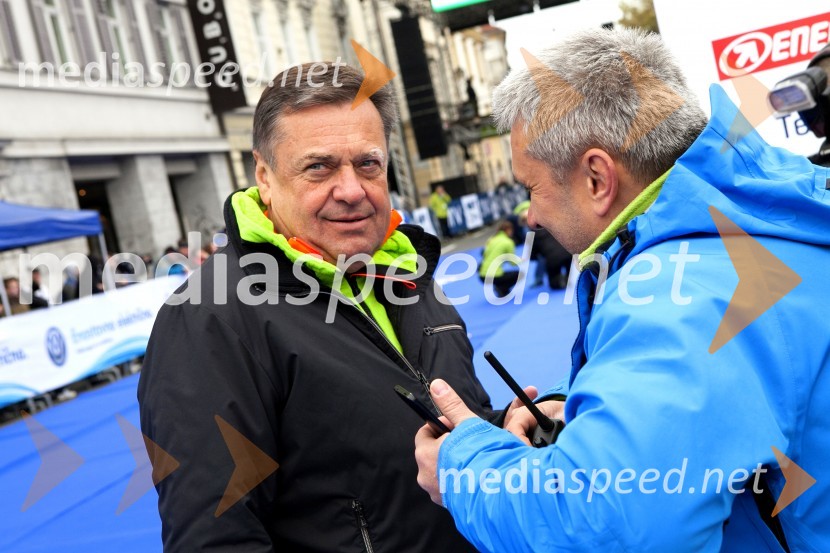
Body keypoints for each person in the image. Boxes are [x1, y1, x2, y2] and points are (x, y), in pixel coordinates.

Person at [414, 28, 830, 551]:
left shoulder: (676, 297)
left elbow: (604, 524)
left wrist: (463, 468)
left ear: (597, 179)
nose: (533, 217)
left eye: (531, 188)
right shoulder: (770, 209)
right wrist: (598, 414)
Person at [138, 62, 500, 552]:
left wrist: (504, 430)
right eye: (319, 166)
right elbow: (216, 536)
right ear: (264, 177)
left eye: (368, 164)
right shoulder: (212, 315)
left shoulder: (408, 273)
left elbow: (428, 431)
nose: (351, 189)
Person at [479, 221, 520, 297]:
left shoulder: (491, 239)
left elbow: (483, 254)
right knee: (520, 274)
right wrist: (521, 260)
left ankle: (500, 288)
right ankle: (502, 288)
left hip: (482, 275)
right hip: (495, 276)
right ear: (508, 230)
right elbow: (513, 263)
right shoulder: (508, 242)